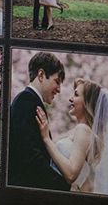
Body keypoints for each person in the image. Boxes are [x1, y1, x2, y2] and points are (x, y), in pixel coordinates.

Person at [35, 78, 108, 195]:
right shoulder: (82, 131)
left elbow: (71, 174)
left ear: (87, 102)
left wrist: (46, 139)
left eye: (76, 95)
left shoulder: (83, 130)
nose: (70, 98)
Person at [7, 52, 69, 191]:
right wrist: (60, 185)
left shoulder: (30, 101)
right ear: (41, 75)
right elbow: (29, 156)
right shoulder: (26, 101)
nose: (59, 89)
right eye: (57, 81)